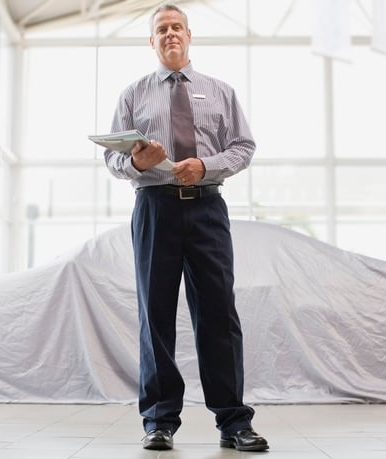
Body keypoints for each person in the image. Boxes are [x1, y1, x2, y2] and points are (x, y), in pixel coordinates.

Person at [103, 3, 268, 453]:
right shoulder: (133, 95)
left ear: (189, 36)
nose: (170, 33)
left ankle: (234, 422)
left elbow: (244, 145)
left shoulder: (220, 92)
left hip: (208, 210)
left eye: (177, 27)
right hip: (154, 208)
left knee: (218, 314)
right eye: (162, 29)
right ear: (152, 41)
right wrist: (137, 161)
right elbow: (113, 158)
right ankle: (158, 421)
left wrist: (207, 165)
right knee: (154, 315)